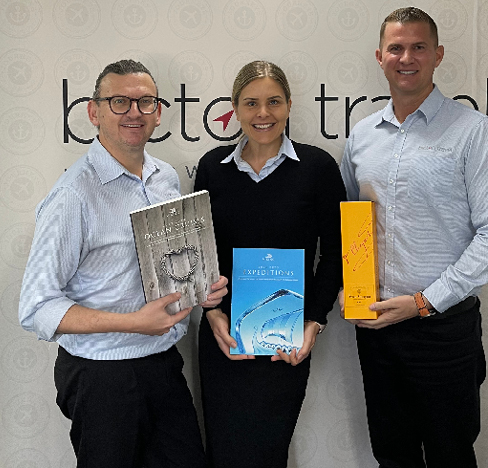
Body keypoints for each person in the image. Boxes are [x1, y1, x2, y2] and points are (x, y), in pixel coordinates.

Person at [19, 59, 228, 468]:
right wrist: (134, 322)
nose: (134, 112)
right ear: (94, 112)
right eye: (119, 102)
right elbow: (36, 306)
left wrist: (198, 289)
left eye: (145, 102)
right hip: (102, 377)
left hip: (163, 363)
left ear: (158, 113)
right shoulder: (73, 195)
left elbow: (163, 268)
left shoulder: (165, 177)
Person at [340, 7, 488, 467]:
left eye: (418, 47)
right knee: (391, 453)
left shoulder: (474, 133)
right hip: (377, 327)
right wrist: (349, 285)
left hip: (443, 331)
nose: (407, 58)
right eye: (396, 48)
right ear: (380, 57)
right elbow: (354, 225)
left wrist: (424, 302)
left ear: (437, 55)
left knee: (449, 455)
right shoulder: (361, 137)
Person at [194, 60, 346, 468]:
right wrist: (212, 315)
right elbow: (200, 254)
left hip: (286, 340)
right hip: (224, 339)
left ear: (290, 105)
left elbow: (336, 254)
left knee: (268, 452)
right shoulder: (212, 168)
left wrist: (314, 322)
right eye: (251, 103)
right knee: (223, 452)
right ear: (235, 109)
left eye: (274, 102)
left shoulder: (317, 168)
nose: (263, 113)